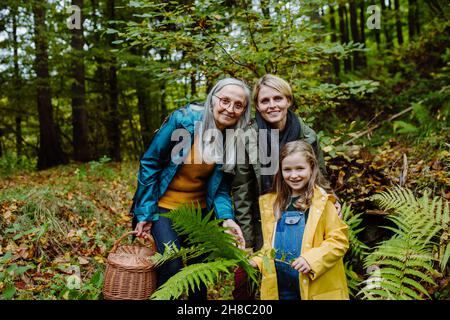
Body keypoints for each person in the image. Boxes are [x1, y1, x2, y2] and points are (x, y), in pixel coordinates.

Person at [130, 78, 251, 300]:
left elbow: (222, 188)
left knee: (199, 275)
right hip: (164, 208)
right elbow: (151, 162)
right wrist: (145, 212)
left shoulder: (233, 138)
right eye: (225, 101)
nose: (230, 109)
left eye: (238, 105)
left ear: (244, 111)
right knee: (171, 265)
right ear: (212, 99)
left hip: (199, 213)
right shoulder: (184, 121)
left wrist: (227, 218)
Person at [231, 74, 339, 299]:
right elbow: (242, 192)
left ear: (288, 100)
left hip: (302, 212)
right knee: (261, 276)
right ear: (257, 106)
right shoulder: (247, 138)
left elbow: (319, 174)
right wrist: (248, 240)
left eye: (277, 98)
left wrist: (330, 200)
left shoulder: (306, 134)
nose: (272, 105)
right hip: (263, 216)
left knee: (301, 271)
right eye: (265, 101)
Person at [250, 140, 349, 300]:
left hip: (314, 286)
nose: (294, 175)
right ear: (280, 171)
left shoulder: (323, 202)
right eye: (287, 170)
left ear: (312, 168)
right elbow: (271, 249)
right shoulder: (272, 204)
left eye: (300, 169)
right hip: (281, 289)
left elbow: (339, 241)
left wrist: (311, 260)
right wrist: (257, 261)